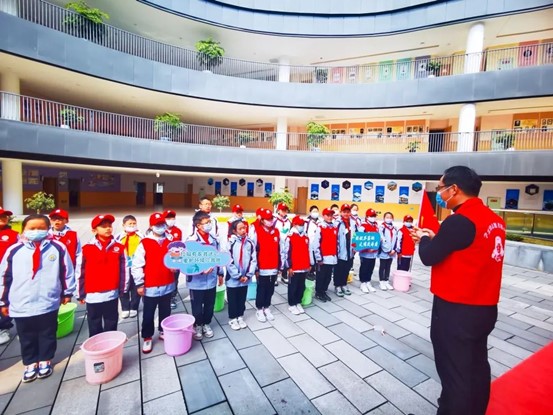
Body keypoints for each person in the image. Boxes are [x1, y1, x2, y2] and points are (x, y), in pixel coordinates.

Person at [412, 165, 506, 415]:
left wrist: (424, 238)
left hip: (456, 309)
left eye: (441, 188)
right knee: (476, 367)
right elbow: (465, 249)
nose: (439, 193)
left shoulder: (459, 220)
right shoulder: (495, 220)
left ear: (454, 189)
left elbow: (429, 256)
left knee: (455, 373)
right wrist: (436, 238)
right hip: (484, 307)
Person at [0, 214, 75, 383]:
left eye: (41, 228)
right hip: (21, 303)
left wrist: (67, 292)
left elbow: (66, 271)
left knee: (48, 332)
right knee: (26, 335)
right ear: (24, 230)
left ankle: (45, 360)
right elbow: (4, 276)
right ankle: (30, 362)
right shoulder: (14, 250)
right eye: (32, 228)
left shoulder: (57, 248)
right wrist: (3, 300)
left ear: (48, 229)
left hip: (48, 301)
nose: (36, 231)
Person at [132, 212, 175, 354]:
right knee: (148, 313)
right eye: (157, 225)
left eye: (162, 224)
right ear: (151, 226)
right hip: (150, 286)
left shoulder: (170, 241)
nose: (160, 227)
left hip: (167, 283)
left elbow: (176, 258)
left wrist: (176, 266)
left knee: (165, 310)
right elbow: (137, 265)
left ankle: (163, 330)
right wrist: (139, 283)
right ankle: (147, 336)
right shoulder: (144, 243)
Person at [79, 214, 127, 337]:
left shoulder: (119, 248)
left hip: (111, 293)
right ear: (94, 230)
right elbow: (80, 271)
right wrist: (80, 293)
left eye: (109, 225)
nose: (108, 228)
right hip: (93, 296)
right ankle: (96, 345)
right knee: (94, 324)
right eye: (103, 226)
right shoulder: (86, 249)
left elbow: (124, 269)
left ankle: (111, 344)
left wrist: (122, 289)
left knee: (111, 322)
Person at [187, 211, 225, 340]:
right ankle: (198, 325)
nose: (209, 224)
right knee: (197, 306)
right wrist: (200, 270)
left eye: (210, 222)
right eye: (206, 222)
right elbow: (187, 262)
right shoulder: (191, 241)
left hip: (211, 279)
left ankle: (206, 324)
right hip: (196, 282)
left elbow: (218, 257)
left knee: (209, 304)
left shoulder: (214, 240)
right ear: (198, 225)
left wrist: (220, 273)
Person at [226, 220, 256, 330]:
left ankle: (240, 316)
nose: (243, 230)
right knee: (233, 298)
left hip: (245, 278)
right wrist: (238, 276)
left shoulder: (250, 243)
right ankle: (233, 318)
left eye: (244, 228)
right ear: (234, 231)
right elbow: (228, 261)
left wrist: (248, 275)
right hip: (233, 278)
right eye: (240, 229)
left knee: (242, 298)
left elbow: (253, 260)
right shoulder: (230, 243)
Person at [253, 208, 281, 322]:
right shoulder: (257, 231)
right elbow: (253, 250)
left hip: (273, 265)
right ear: (262, 220)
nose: (270, 221)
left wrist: (280, 266)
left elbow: (279, 249)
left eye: (271, 219)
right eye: (267, 219)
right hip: (262, 266)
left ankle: (267, 306)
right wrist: (256, 268)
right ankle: (259, 308)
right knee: (262, 287)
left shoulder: (276, 231)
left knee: (271, 288)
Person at [115, 215, 143, 318]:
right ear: (123, 225)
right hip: (123, 266)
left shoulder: (140, 236)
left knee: (136, 286)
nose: (132, 225)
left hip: (136, 265)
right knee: (123, 286)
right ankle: (125, 307)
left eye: (134, 223)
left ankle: (134, 307)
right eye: (129, 224)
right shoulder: (118, 237)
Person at [282, 216, 311, 315]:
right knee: (293, 286)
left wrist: (309, 264)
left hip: (304, 266)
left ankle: (298, 302)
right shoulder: (290, 237)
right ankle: (292, 304)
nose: (302, 226)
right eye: (300, 224)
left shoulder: (305, 237)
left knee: (301, 286)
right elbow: (287, 253)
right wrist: (289, 267)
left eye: (303, 224)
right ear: (294, 225)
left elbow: (308, 251)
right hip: (294, 267)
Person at [0, 207, 18, 345]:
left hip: (7, 273)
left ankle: (4, 328)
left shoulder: (14, 234)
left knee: (6, 300)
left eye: (5, 216)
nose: (3, 218)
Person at [48, 208, 82, 278]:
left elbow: (79, 254)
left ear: (66, 221)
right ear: (50, 221)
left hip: (68, 271)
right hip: (50, 270)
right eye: (54, 219)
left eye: (60, 219)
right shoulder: (46, 235)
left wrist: (77, 272)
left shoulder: (73, 235)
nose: (57, 221)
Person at [313, 208, 338, 302]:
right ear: (323, 216)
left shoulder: (334, 227)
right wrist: (319, 258)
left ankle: (324, 291)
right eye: (328, 215)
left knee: (328, 277)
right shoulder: (320, 227)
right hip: (323, 258)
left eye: (331, 215)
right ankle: (318, 293)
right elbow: (316, 244)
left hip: (332, 257)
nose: (330, 217)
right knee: (321, 276)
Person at [335, 204, 357, 296]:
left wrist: (355, 247)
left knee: (347, 268)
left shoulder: (353, 223)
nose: (346, 214)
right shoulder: (337, 223)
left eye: (348, 212)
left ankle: (344, 284)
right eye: (344, 212)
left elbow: (356, 236)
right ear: (341, 212)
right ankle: (337, 285)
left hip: (350, 250)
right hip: (341, 251)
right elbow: (335, 237)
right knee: (339, 269)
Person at [164, 209, 183, 310]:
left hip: (175, 259)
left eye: (172, 218)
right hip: (164, 260)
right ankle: (164, 296)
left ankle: (172, 297)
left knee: (175, 279)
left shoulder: (178, 231)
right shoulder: (161, 230)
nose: (171, 220)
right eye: (168, 218)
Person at [357, 208, 380, 293]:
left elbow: (378, 237)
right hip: (365, 253)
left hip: (373, 253)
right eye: (371, 216)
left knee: (371, 267)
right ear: (367, 216)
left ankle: (368, 281)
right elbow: (359, 239)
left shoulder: (376, 225)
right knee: (364, 267)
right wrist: (367, 249)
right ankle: (363, 283)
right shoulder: (363, 226)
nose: (373, 218)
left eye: (374, 216)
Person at [378, 211, 400, 290]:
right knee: (382, 266)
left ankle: (386, 281)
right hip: (384, 251)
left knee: (388, 266)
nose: (389, 219)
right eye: (387, 217)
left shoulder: (395, 228)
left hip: (392, 252)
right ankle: (381, 281)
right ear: (384, 218)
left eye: (390, 217)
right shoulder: (381, 228)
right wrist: (388, 250)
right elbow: (382, 239)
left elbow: (397, 239)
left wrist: (394, 250)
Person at [274, 203, 291, 284]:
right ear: (279, 210)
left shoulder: (288, 221)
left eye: (285, 210)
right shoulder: (274, 220)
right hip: (277, 243)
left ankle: (284, 275)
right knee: (277, 258)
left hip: (286, 243)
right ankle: (275, 277)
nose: (284, 212)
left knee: (285, 257)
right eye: (282, 210)